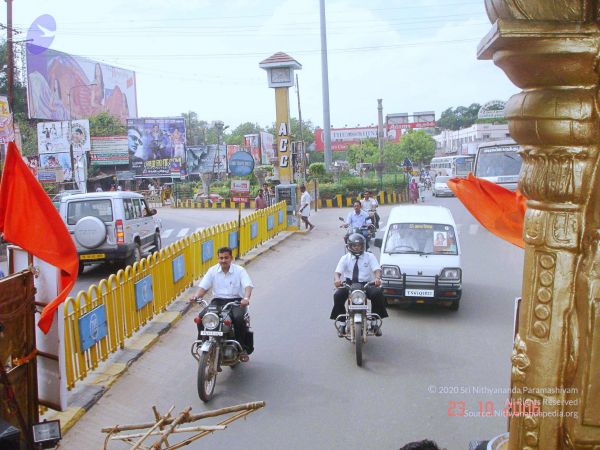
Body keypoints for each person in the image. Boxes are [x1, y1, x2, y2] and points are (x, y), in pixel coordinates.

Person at [191, 247, 254, 355]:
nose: (223, 260)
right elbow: (203, 287)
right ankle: (202, 342)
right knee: (201, 318)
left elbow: (248, 285)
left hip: (236, 302)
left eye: (226, 258)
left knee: (239, 319)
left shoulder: (239, 270)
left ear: (231, 258)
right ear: (218, 258)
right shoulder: (212, 271)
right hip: (218, 301)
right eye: (221, 258)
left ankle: (240, 348)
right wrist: (196, 296)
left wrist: (246, 298)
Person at [331, 233, 387, 335]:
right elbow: (337, 272)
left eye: (359, 245)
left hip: (366, 284)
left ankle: (374, 324)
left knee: (378, 294)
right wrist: (337, 280)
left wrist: (377, 278)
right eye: (354, 246)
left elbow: (377, 269)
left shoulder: (369, 256)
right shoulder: (345, 258)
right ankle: (342, 324)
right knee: (337, 295)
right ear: (350, 246)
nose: (357, 248)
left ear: (363, 245)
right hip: (349, 285)